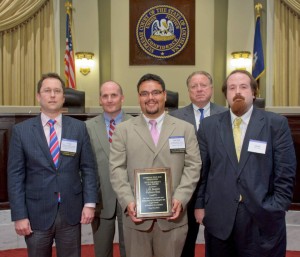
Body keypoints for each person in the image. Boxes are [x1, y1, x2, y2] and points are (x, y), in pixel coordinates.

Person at [194, 69, 296, 257]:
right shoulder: (209, 126)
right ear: (226, 94)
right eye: (232, 88)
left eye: (243, 87)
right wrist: (199, 205)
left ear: (254, 92)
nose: (238, 92)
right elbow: (202, 171)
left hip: (262, 218)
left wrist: (276, 206)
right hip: (220, 220)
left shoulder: (276, 124)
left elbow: (286, 172)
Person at [109, 73, 202, 257]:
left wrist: (181, 198)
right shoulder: (123, 130)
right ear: (138, 97)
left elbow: (193, 166)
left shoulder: (185, 128)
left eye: (155, 92)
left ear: (165, 95)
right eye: (144, 93)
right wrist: (128, 201)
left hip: (173, 220)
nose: (150, 98)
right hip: (136, 220)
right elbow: (116, 169)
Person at [7, 72, 98, 257]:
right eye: (47, 91)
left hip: (71, 212)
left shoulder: (79, 128)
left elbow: (88, 168)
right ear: (38, 96)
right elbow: (15, 176)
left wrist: (90, 203)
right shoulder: (21, 131)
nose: (53, 95)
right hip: (35, 214)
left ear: (63, 98)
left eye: (57, 91)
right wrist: (19, 215)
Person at [170, 71, 226, 257]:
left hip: (217, 187)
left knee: (219, 240)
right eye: (194, 86)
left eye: (203, 85)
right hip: (186, 187)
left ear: (211, 88)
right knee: (186, 240)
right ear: (188, 91)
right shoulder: (174, 117)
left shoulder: (226, 114)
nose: (199, 89)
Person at [85, 81, 131, 257]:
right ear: (100, 100)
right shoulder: (87, 127)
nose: (110, 100)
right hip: (100, 198)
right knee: (102, 251)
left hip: (130, 199)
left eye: (114, 95)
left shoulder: (137, 124)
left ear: (122, 98)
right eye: (105, 96)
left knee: (131, 250)